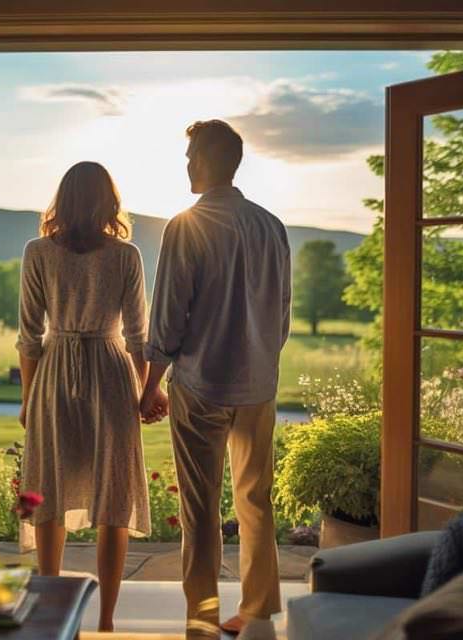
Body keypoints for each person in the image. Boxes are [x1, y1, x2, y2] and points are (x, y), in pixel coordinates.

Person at [140, 120, 292, 640]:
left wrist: (149, 384)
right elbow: (283, 315)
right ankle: (258, 612)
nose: (185, 165)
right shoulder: (271, 226)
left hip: (201, 386)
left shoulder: (186, 225)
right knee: (256, 499)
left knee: (201, 508)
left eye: (189, 157)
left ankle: (201, 620)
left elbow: (168, 319)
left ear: (205, 161)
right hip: (258, 386)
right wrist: (261, 360)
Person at [16, 161, 151, 632]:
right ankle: (107, 622)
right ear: (108, 202)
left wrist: (29, 397)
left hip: (54, 372)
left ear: (64, 199)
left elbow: (29, 335)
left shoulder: (37, 252)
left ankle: (51, 617)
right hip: (111, 375)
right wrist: (144, 390)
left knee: (49, 491)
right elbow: (137, 336)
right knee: (113, 501)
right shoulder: (126, 254)